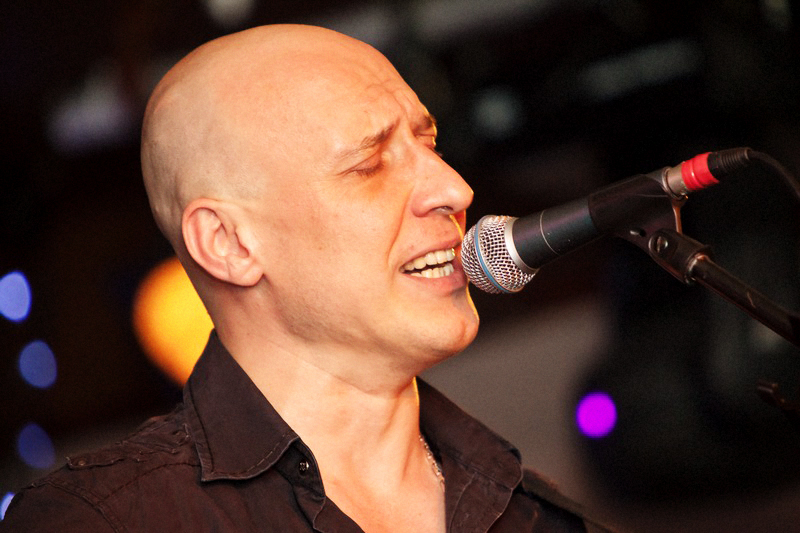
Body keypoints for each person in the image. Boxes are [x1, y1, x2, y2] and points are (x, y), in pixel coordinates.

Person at [1, 24, 594, 532]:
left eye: (430, 145)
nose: (455, 189)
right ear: (228, 244)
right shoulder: (109, 521)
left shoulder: (542, 519)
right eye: (369, 164)